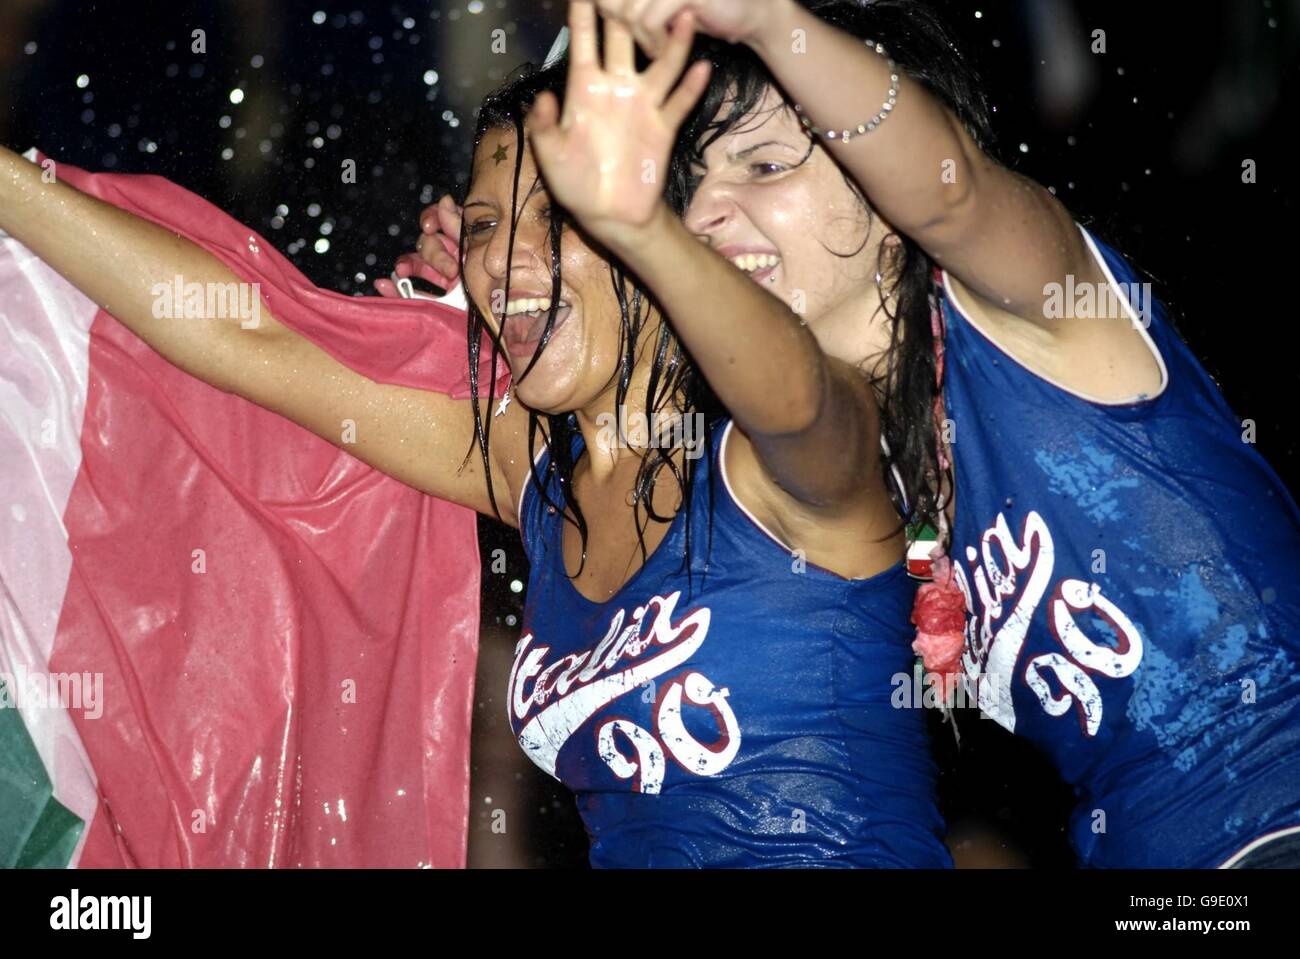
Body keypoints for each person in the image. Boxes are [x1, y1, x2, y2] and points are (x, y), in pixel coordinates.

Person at [0, 4, 953, 868]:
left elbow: (789, 391)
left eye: (562, 214)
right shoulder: (527, 473)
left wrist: (646, 230)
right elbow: (247, 333)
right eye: (488, 223)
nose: (503, 258)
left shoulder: (801, 455)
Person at [393, 0, 1300, 869]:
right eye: (691, 181)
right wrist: (508, 283)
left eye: (763, 166)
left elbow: (951, 195)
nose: (709, 210)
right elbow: (619, 386)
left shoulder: (1038, 310)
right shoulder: (809, 453)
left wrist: (767, 20)